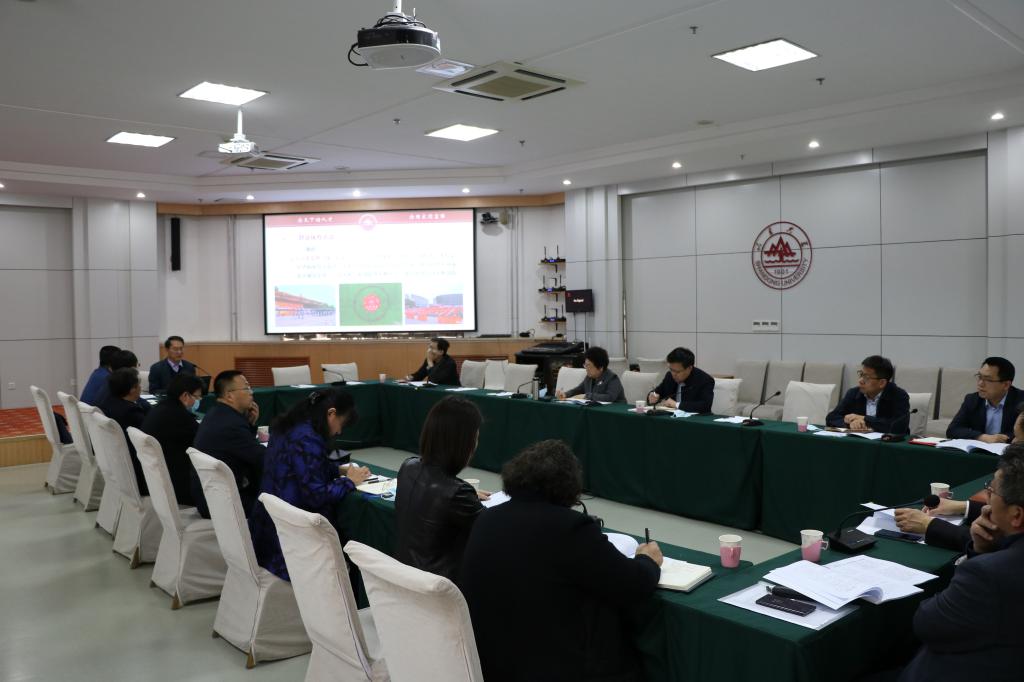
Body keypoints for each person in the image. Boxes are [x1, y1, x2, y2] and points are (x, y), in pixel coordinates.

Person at [459, 439, 663, 682]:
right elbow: (632, 585)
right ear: (570, 486)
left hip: (488, 662)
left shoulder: (487, 518)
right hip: (549, 665)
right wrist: (648, 560)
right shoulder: (569, 528)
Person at [898, 443, 1024, 682]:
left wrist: (979, 556)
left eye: (991, 492)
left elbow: (927, 624)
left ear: (1016, 515)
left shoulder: (989, 575)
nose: (986, 503)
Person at [248, 388, 371, 581]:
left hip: (267, 530)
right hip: (289, 541)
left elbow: (302, 468)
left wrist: (338, 470)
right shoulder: (308, 437)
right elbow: (316, 496)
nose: (339, 431)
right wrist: (349, 482)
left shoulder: (288, 425)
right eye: (341, 424)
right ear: (331, 413)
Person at [894, 403, 1024, 549]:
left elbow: (999, 543)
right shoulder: (972, 400)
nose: (1012, 443)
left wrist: (929, 525)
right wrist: (963, 507)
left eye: (1018, 438)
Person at [396, 396, 488, 581]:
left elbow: (434, 493)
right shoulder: (457, 493)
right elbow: (493, 529)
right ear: (463, 443)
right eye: (475, 438)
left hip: (403, 579)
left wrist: (462, 492)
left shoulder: (407, 467)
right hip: (439, 589)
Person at [190, 370, 266, 519]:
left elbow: (242, 450)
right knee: (280, 505)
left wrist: (249, 425)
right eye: (246, 388)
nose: (251, 393)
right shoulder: (231, 424)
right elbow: (261, 458)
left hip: (211, 496)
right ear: (229, 396)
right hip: (223, 503)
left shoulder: (217, 413)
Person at [139, 374, 204, 506]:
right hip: (177, 484)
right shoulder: (179, 417)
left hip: (155, 478)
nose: (199, 400)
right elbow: (202, 443)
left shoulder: (161, 408)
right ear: (185, 396)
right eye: (197, 396)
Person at [825, 355, 910, 434]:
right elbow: (831, 418)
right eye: (861, 374)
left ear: (882, 383)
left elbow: (898, 427)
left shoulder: (899, 396)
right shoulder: (853, 393)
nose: (860, 381)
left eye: (866, 377)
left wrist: (864, 419)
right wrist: (850, 424)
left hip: (887, 443)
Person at [946, 357, 1022, 443]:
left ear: (1006, 385)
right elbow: (953, 430)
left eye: (988, 380)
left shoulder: (1021, 401)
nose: (980, 383)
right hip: (980, 449)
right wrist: (982, 437)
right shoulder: (972, 400)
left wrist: (1000, 439)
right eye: (979, 377)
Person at [99, 367, 149, 496]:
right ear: (132, 389)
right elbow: (148, 434)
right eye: (139, 385)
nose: (141, 388)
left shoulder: (108, 402)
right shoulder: (131, 411)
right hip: (136, 465)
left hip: (115, 460)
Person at [647, 347, 714, 412]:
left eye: (677, 372)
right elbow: (657, 392)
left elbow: (705, 406)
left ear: (689, 368)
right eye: (671, 369)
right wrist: (652, 396)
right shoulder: (669, 376)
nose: (673, 374)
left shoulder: (705, 380)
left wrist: (676, 405)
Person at [556, 346, 625, 403]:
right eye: (585, 365)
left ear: (600, 367)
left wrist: (586, 396)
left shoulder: (612, 378)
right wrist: (566, 394)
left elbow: (610, 397)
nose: (586, 368)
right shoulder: (589, 377)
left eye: (588, 365)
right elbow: (578, 389)